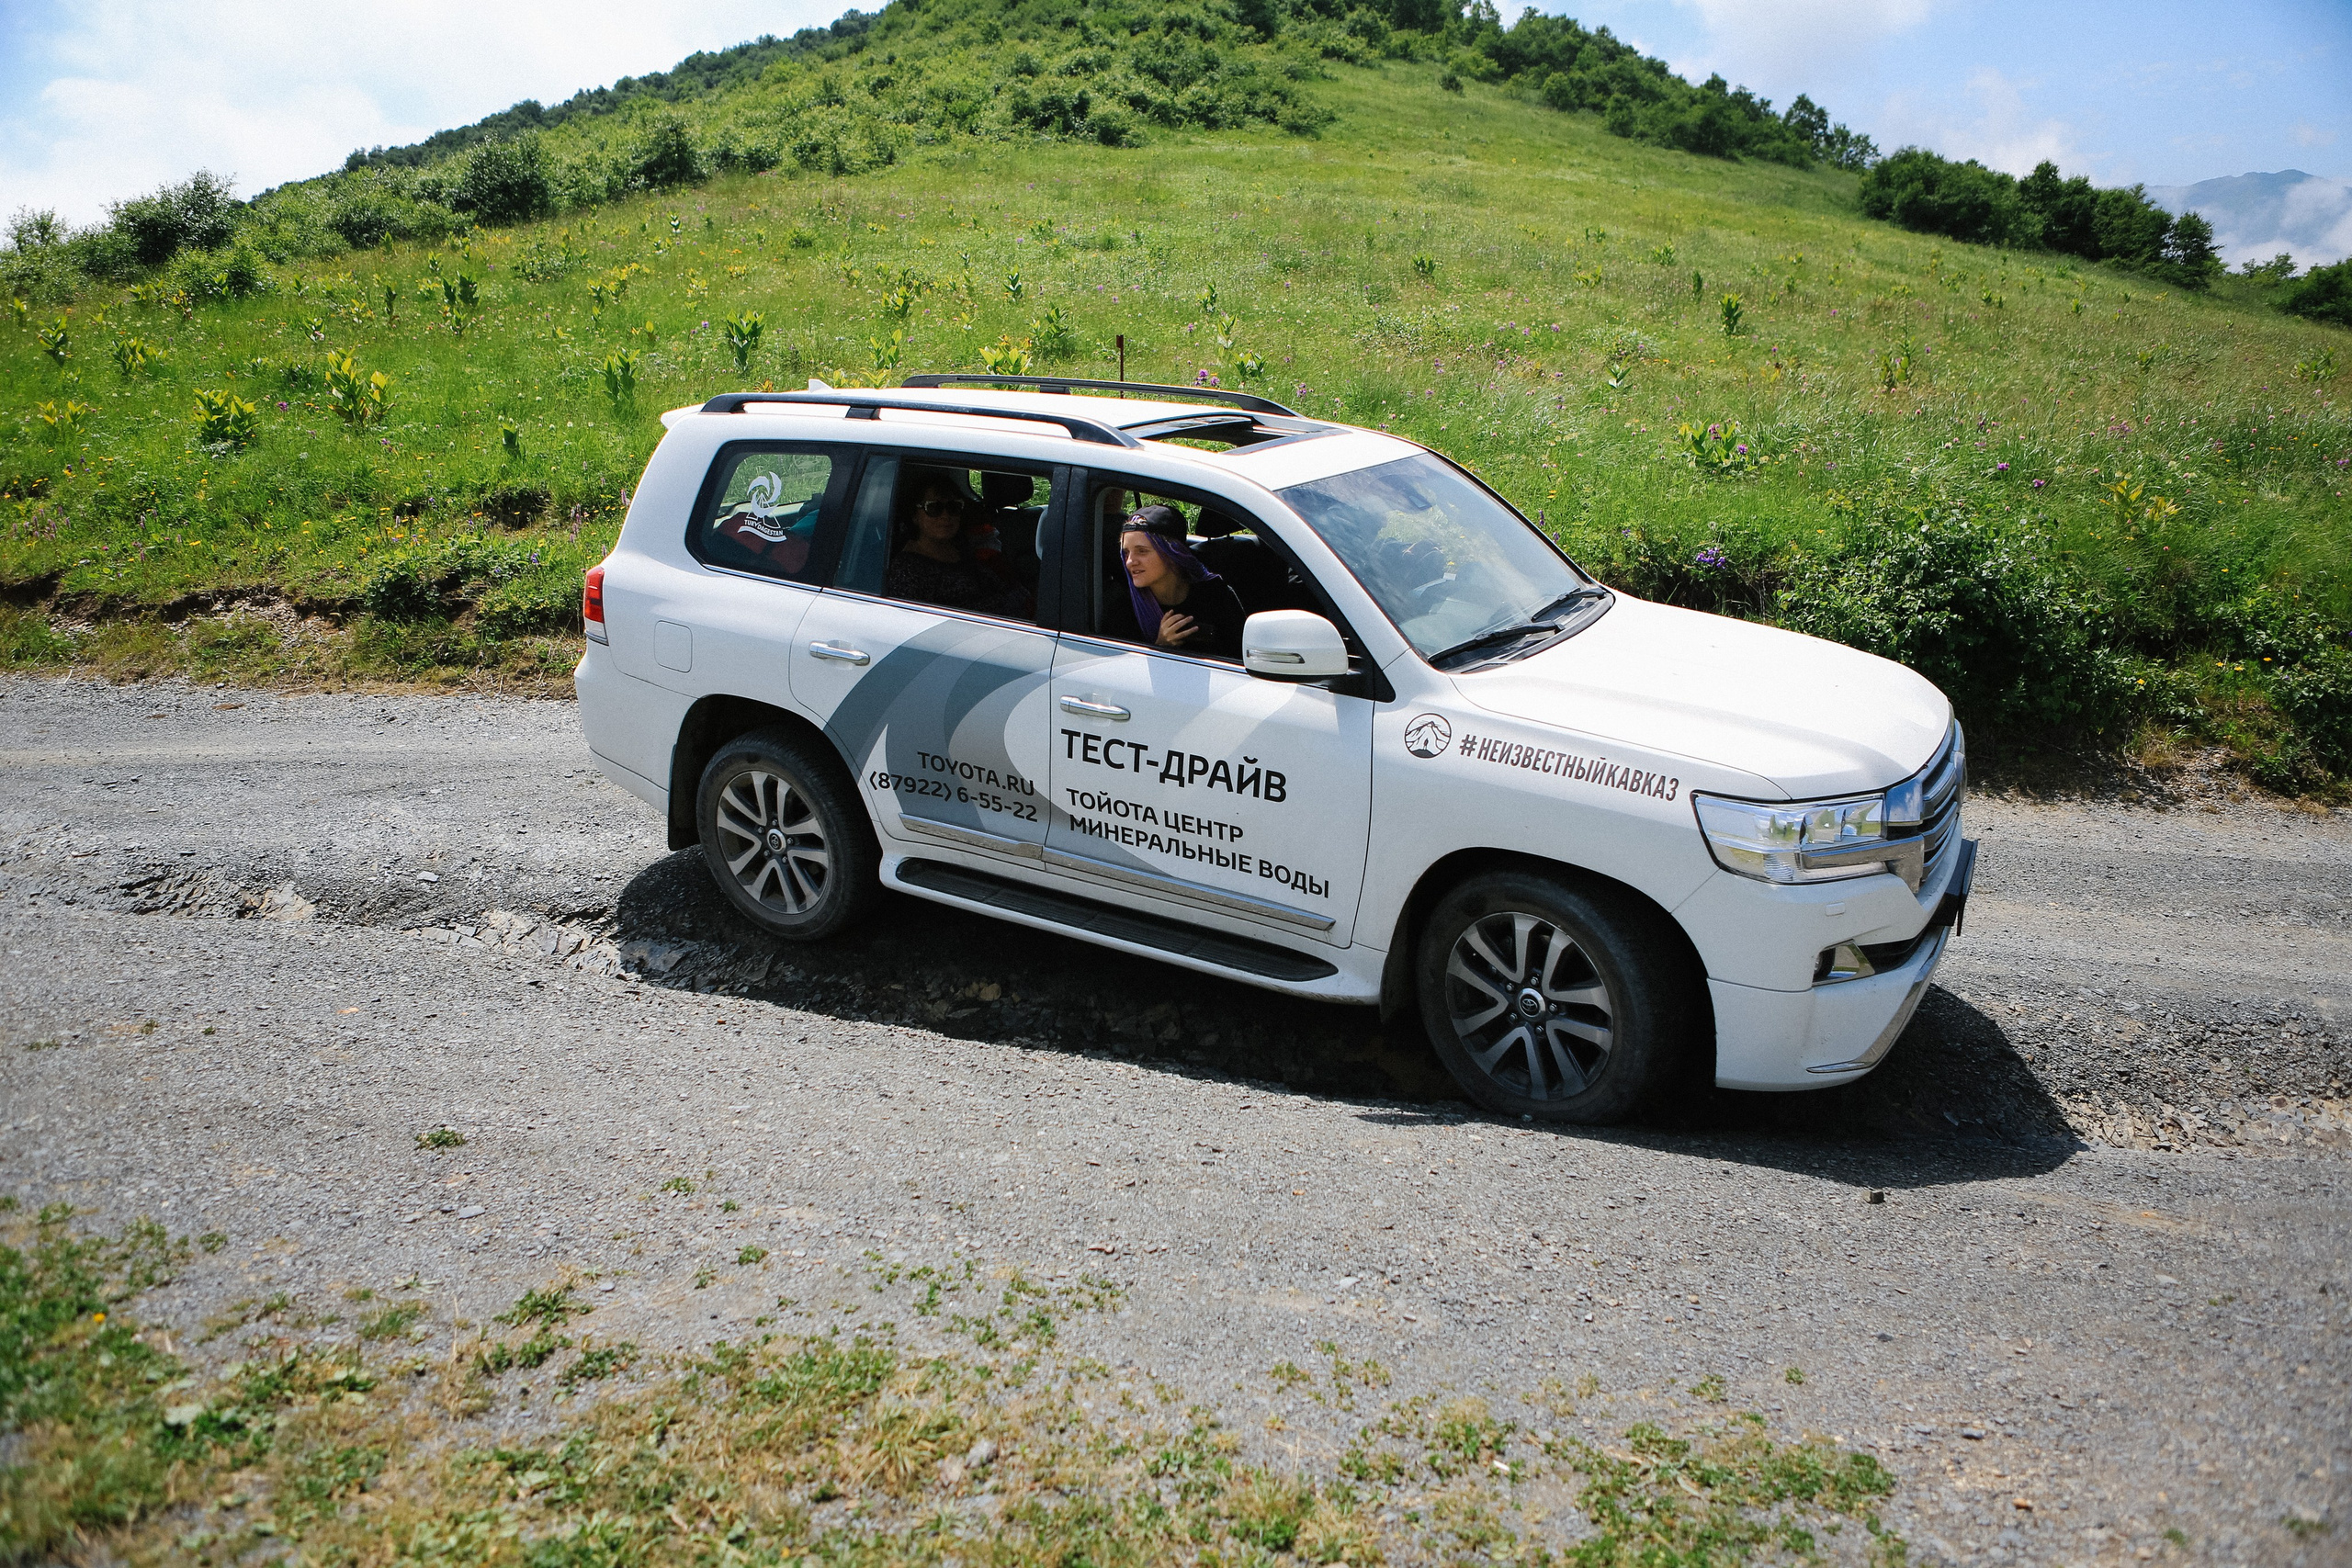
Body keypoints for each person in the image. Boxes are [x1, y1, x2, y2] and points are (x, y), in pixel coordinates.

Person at [883, 472, 1032, 616]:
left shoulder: (967, 546)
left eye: (953, 507)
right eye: (934, 508)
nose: (946, 516)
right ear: (914, 515)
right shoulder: (906, 572)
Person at [1109, 503, 1248, 657]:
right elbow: (1119, 672)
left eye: (1142, 551)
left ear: (1173, 553)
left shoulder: (1217, 595)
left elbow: (1240, 654)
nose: (1130, 562)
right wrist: (1160, 646)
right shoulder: (1123, 611)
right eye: (1126, 553)